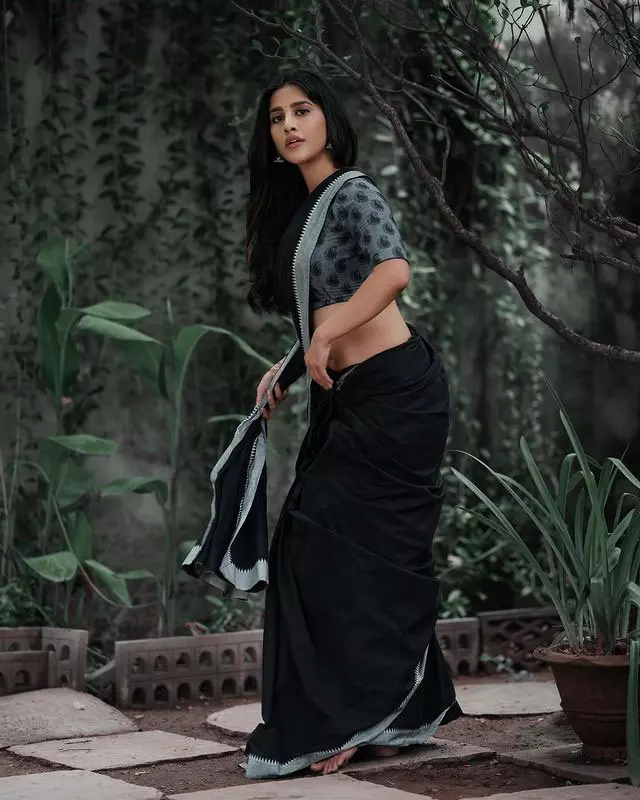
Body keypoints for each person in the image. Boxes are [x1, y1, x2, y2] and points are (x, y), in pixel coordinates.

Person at [242, 69, 461, 779]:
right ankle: (390, 712)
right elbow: (325, 311)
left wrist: (327, 335)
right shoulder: (300, 213)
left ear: (329, 121)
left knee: (337, 546)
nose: (288, 125)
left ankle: (349, 716)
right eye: (277, 117)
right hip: (351, 394)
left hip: (398, 393)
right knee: (329, 550)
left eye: (301, 110)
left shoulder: (354, 191)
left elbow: (393, 273)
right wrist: (289, 365)